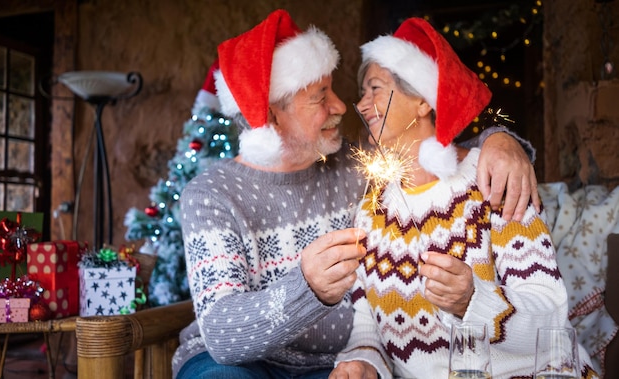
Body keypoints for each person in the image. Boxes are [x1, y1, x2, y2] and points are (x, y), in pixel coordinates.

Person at [172, 9, 539, 379]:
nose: (341, 106)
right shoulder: (211, 195)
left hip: (335, 363)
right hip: (237, 364)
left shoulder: (354, 166)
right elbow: (221, 335)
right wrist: (308, 288)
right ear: (271, 117)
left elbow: (429, 148)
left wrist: (499, 141)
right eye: (320, 97)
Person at [330, 17, 599, 379]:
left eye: (375, 88)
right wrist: (363, 361)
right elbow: (367, 320)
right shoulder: (370, 209)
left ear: (424, 101)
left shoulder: (491, 180)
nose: (362, 106)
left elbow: (549, 311)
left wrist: (474, 300)